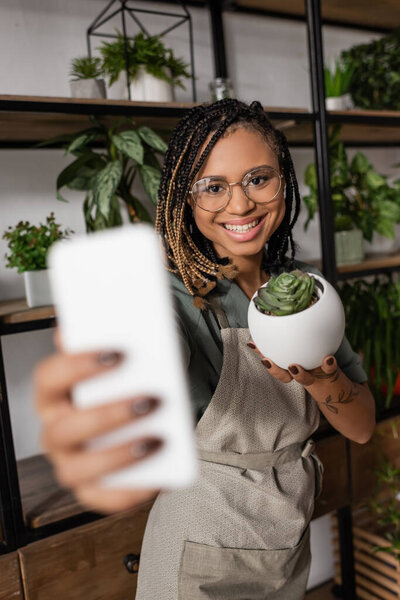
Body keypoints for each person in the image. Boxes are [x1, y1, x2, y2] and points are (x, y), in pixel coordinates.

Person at [35, 99, 375, 599]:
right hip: (200, 546)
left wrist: (320, 379)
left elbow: (363, 427)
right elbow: (150, 356)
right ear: (184, 199)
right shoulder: (173, 297)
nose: (240, 205)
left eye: (259, 178)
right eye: (213, 187)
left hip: (286, 537)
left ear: (283, 180)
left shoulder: (308, 294)